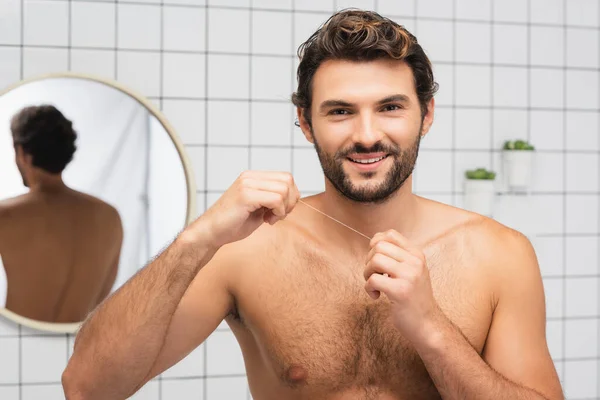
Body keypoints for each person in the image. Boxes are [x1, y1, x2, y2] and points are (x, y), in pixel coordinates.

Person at [62, 9, 564, 400]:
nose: (367, 135)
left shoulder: (499, 255)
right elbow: (87, 389)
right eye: (340, 111)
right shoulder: (245, 251)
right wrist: (198, 239)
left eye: (390, 107)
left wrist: (432, 329)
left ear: (425, 114)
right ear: (305, 122)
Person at [0, 105, 123, 323]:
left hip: (16, 338)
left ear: (22, 153)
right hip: (72, 342)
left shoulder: (6, 216)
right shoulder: (109, 217)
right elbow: (101, 297)